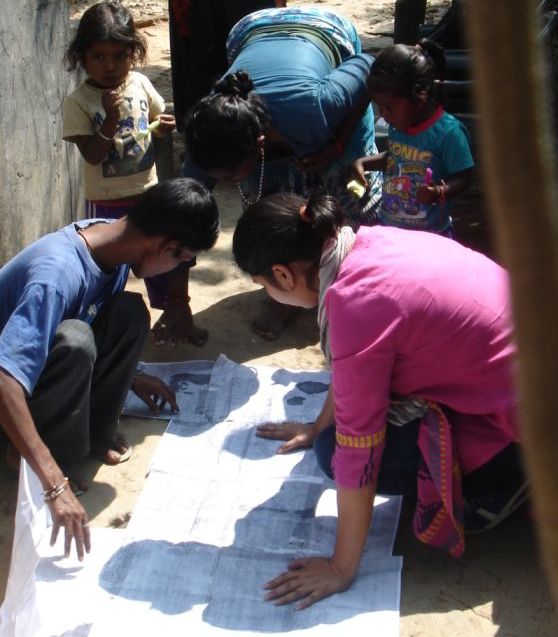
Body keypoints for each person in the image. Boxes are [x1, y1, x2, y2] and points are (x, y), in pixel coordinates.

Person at [232, 192, 527, 609]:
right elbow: (355, 369)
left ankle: (500, 484)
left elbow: (359, 444)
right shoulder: (366, 245)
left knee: (332, 453)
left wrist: (340, 567)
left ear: (281, 274)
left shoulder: (355, 303)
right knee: (326, 437)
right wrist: (315, 425)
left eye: (264, 286)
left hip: (520, 427)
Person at [0, 178, 219, 560]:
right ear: (168, 247)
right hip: (8, 399)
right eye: (181, 260)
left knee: (130, 313)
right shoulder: (57, 275)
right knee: (76, 340)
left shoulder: (112, 248)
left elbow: (96, 315)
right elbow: (5, 379)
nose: (176, 268)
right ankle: (32, 463)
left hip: (35, 376)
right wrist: (53, 483)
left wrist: (132, 375)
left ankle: (93, 434)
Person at [183, 6, 383, 340]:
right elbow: (180, 221)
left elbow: (370, 67)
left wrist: (337, 144)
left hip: (326, 32)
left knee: (356, 193)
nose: (227, 184)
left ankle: (358, 292)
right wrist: (176, 301)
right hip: (248, 30)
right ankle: (287, 296)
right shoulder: (211, 131)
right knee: (266, 205)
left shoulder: (315, 107)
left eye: (232, 174)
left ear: (260, 143)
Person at [62, 2, 205, 348]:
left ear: (134, 53)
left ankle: (176, 312)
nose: (110, 66)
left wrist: (164, 126)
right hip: (106, 204)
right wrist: (110, 121)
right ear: (82, 57)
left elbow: (157, 121)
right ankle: (105, 329)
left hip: (148, 193)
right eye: (99, 57)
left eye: (119, 56)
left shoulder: (139, 83)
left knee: (168, 252)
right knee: (110, 268)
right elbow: (93, 154)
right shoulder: (79, 102)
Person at [352, 40, 474, 236]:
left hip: (431, 236)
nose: (382, 114)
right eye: (379, 106)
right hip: (391, 230)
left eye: (389, 107)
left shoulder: (449, 133)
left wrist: (439, 192)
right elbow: (395, 158)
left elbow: (465, 177)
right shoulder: (398, 126)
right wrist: (363, 163)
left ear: (419, 96)